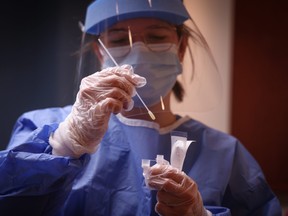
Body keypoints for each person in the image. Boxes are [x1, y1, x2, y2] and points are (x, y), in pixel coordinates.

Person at [0, 0, 282, 215]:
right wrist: (65, 144)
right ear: (101, 53)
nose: (138, 52)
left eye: (157, 37)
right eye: (120, 40)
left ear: (181, 48)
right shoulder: (44, 128)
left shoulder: (225, 153)